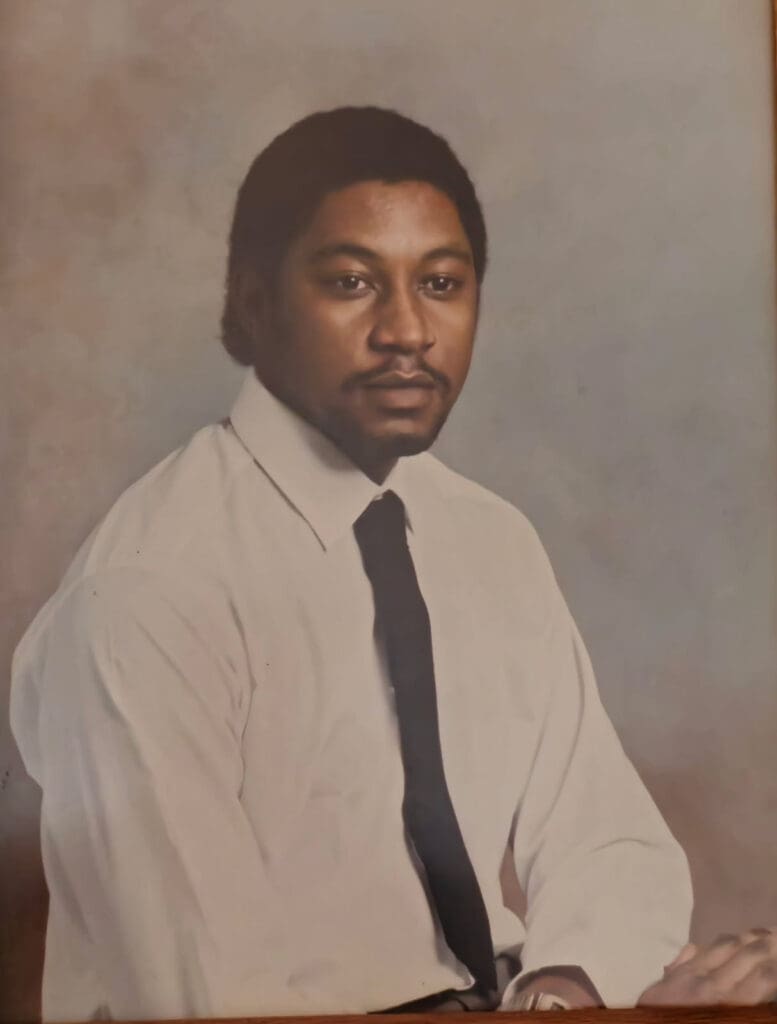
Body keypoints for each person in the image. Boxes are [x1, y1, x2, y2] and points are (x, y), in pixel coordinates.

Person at [9, 106, 777, 1020]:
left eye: (442, 282)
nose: (407, 330)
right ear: (253, 302)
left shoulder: (485, 537)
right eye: (351, 282)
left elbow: (605, 838)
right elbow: (213, 1000)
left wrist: (567, 993)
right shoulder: (148, 591)